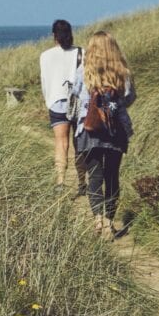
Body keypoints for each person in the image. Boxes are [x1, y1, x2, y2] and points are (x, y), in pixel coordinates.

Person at [74, 31, 135, 233]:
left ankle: (98, 220)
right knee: (112, 176)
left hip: (90, 129)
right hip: (115, 130)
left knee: (95, 176)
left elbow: (75, 94)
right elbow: (129, 98)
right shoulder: (123, 72)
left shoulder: (83, 71)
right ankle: (110, 220)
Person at [38, 19, 84, 190]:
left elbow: (45, 81)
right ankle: (82, 182)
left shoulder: (45, 55)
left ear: (53, 35)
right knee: (79, 143)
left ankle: (60, 181)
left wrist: (48, 100)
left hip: (56, 101)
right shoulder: (81, 53)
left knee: (60, 141)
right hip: (77, 101)